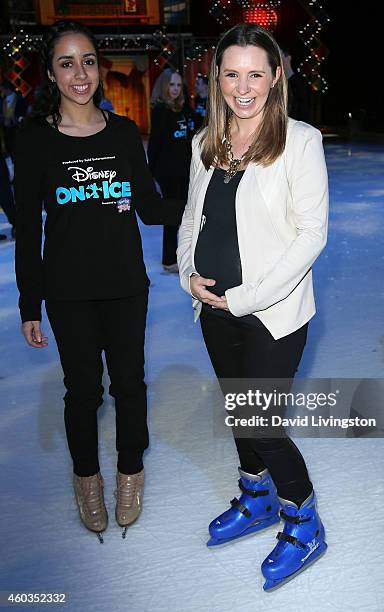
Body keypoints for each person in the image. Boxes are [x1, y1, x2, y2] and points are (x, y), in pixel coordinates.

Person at [178, 23, 329, 590]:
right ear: (217, 77)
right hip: (213, 309)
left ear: (275, 78)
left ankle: (303, 519)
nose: (244, 87)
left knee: (263, 422)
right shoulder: (204, 142)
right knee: (238, 412)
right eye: (232, 73)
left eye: (255, 74)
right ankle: (257, 495)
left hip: (272, 313)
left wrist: (245, 297)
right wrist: (188, 274)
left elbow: (311, 235)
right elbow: (193, 218)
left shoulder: (301, 141)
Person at [14, 20, 176, 542]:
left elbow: (150, 209)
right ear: (52, 73)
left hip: (126, 286)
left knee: (130, 385)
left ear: (98, 68)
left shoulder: (124, 133)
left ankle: (130, 472)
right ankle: (88, 479)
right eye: (66, 63)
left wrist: (207, 203)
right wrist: (29, 303)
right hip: (68, 292)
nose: (79, 73)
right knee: (82, 392)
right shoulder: (34, 140)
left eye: (87, 61)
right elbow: (26, 229)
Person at [147, 69, 194, 273]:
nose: (175, 89)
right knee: (172, 215)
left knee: (186, 215)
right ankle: (168, 259)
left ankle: (183, 254)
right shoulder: (160, 111)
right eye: (171, 85)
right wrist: (152, 174)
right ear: (164, 86)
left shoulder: (184, 109)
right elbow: (154, 145)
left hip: (186, 170)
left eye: (178, 85)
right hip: (168, 172)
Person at [281, 46, 311, 123]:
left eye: (281, 56)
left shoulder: (299, 83)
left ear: (288, 58)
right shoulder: (277, 83)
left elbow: (304, 109)